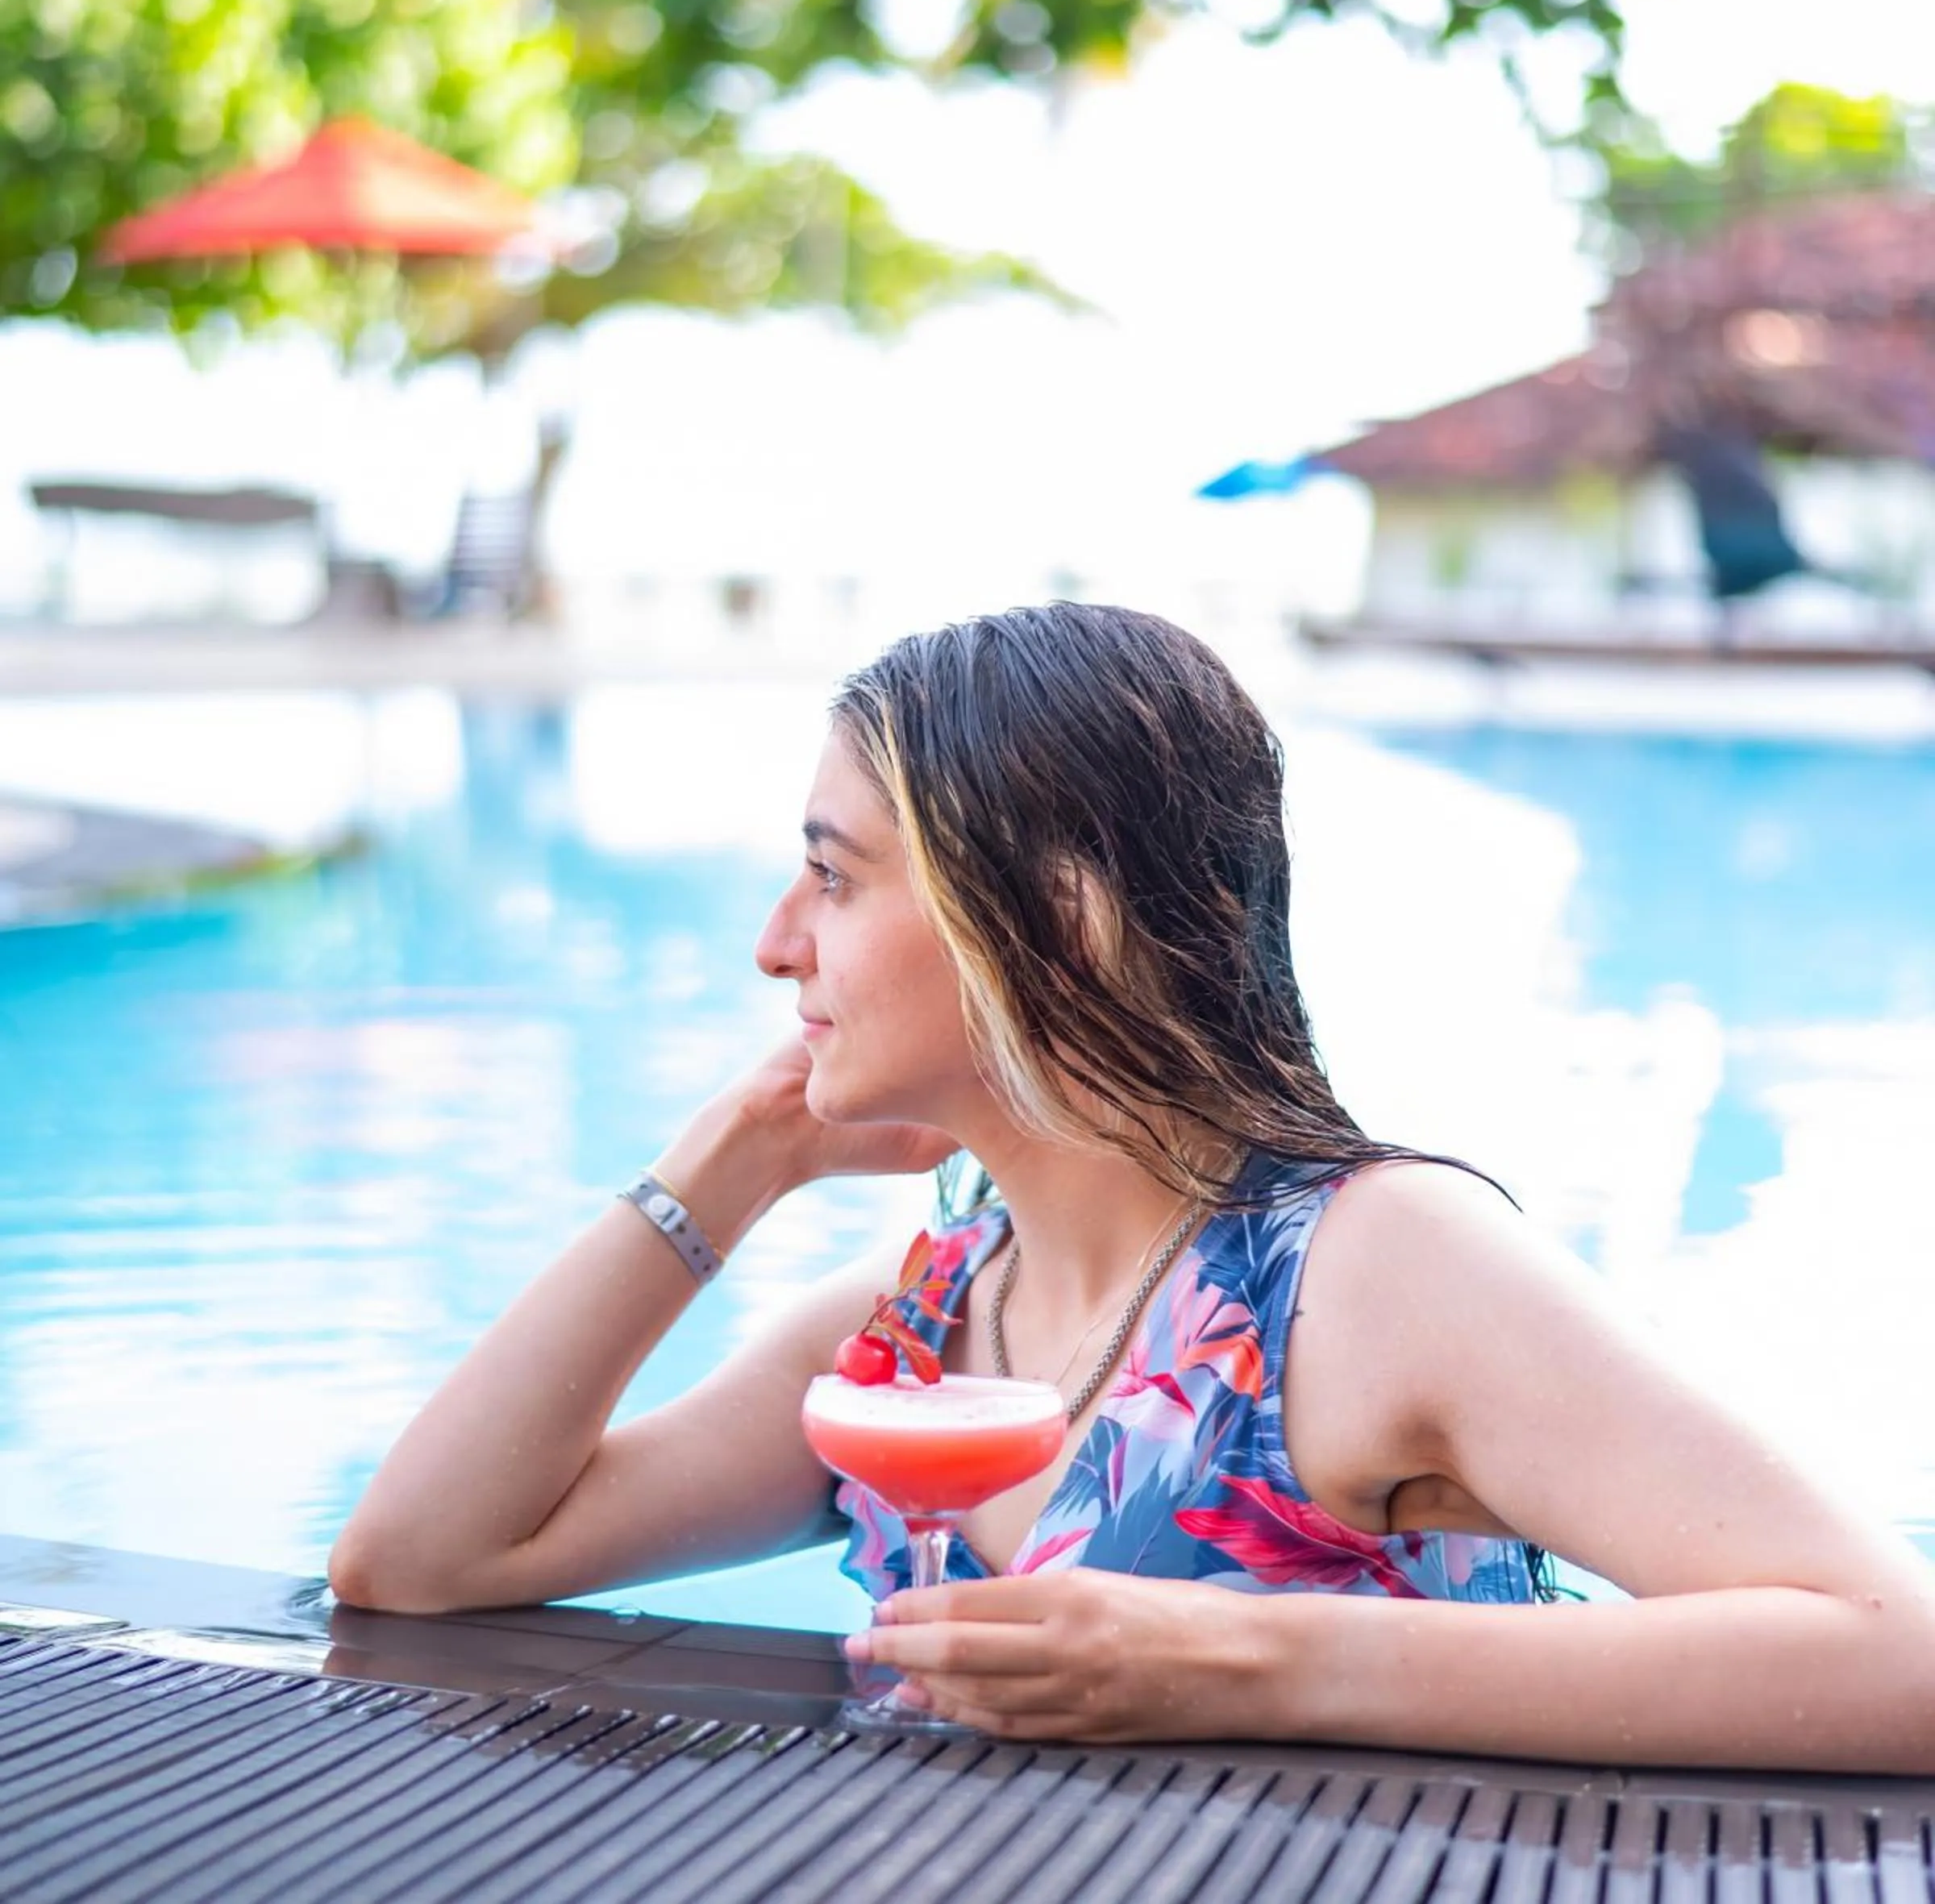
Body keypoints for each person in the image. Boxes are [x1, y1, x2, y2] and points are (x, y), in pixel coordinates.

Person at [328, 604, 1935, 1768]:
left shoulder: (1367, 1280)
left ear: (1061, 916)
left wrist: (1247, 1658)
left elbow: (1900, 1661)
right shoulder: (912, 1340)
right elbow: (419, 1564)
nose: (776, 944)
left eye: (832, 876)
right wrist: (733, 1159)